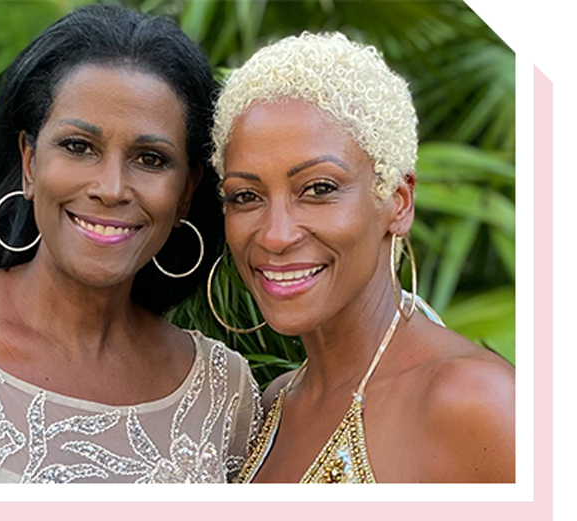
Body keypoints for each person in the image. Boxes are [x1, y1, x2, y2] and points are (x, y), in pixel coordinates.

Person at [0, 4, 259, 483]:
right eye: (78, 147)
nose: (111, 188)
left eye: (150, 159)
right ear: (30, 162)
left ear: (186, 193)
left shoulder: (221, 396)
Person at [209, 32, 516, 483]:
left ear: (397, 201)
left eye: (319, 189)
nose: (275, 235)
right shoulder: (273, 406)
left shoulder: (473, 401)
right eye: (246, 196)